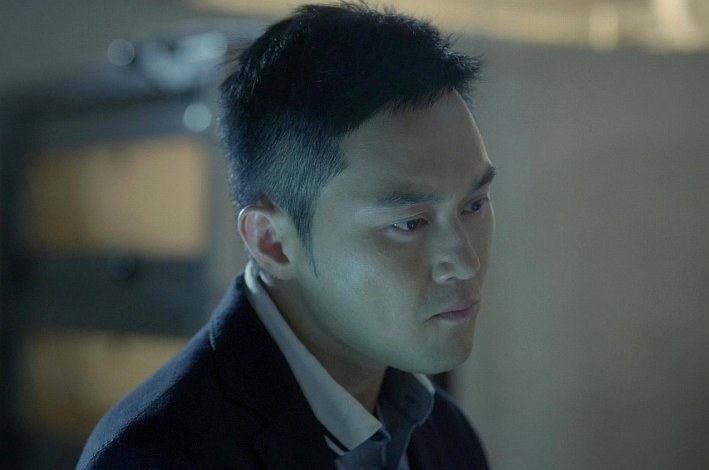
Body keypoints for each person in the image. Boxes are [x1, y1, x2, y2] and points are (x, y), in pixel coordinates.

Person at [77, 2, 495, 469]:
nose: (465, 261)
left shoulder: (443, 434)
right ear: (272, 243)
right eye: (409, 223)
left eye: (474, 205)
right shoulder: (156, 457)